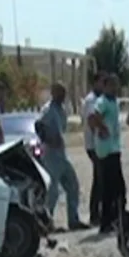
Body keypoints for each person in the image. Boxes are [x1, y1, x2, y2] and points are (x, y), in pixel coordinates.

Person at [34, 82, 85, 230]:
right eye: (59, 93)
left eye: (64, 93)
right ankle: (45, 222)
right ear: (53, 93)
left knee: (72, 185)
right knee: (53, 191)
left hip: (61, 154)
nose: (63, 96)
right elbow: (38, 126)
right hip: (50, 154)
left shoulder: (61, 109)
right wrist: (49, 140)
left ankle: (73, 220)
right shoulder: (48, 109)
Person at [87, 73, 126, 233]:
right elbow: (92, 118)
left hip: (114, 148)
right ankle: (106, 222)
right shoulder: (102, 101)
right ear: (106, 86)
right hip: (106, 150)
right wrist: (101, 128)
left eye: (117, 85)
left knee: (118, 187)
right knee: (110, 188)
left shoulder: (114, 102)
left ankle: (116, 218)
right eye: (112, 85)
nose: (115, 88)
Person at [81, 72, 105, 225]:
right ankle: (95, 214)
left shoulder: (100, 99)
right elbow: (91, 120)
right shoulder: (92, 100)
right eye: (102, 82)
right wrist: (101, 132)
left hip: (100, 145)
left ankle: (99, 212)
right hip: (94, 145)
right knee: (99, 180)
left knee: (101, 179)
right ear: (95, 82)